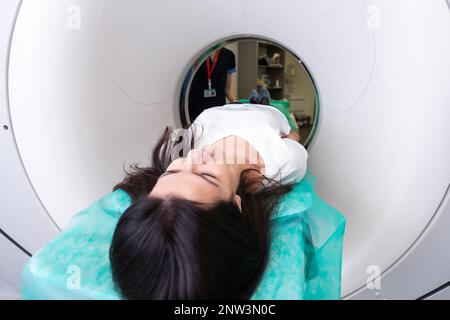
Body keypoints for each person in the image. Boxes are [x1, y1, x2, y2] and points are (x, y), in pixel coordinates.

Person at [109, 103, 307, 299]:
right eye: (207, 176)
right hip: (271, 111)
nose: (194, 155)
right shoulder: (284, 163)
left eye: (173, 171)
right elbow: (294, 139)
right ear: (236, 205)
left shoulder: (179, 148)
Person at [188, 46, 238, 122]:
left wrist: (239, 104)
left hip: (217, 111)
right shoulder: (196, 53)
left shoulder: (229, 55)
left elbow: (228, 91)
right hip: (196, 110)